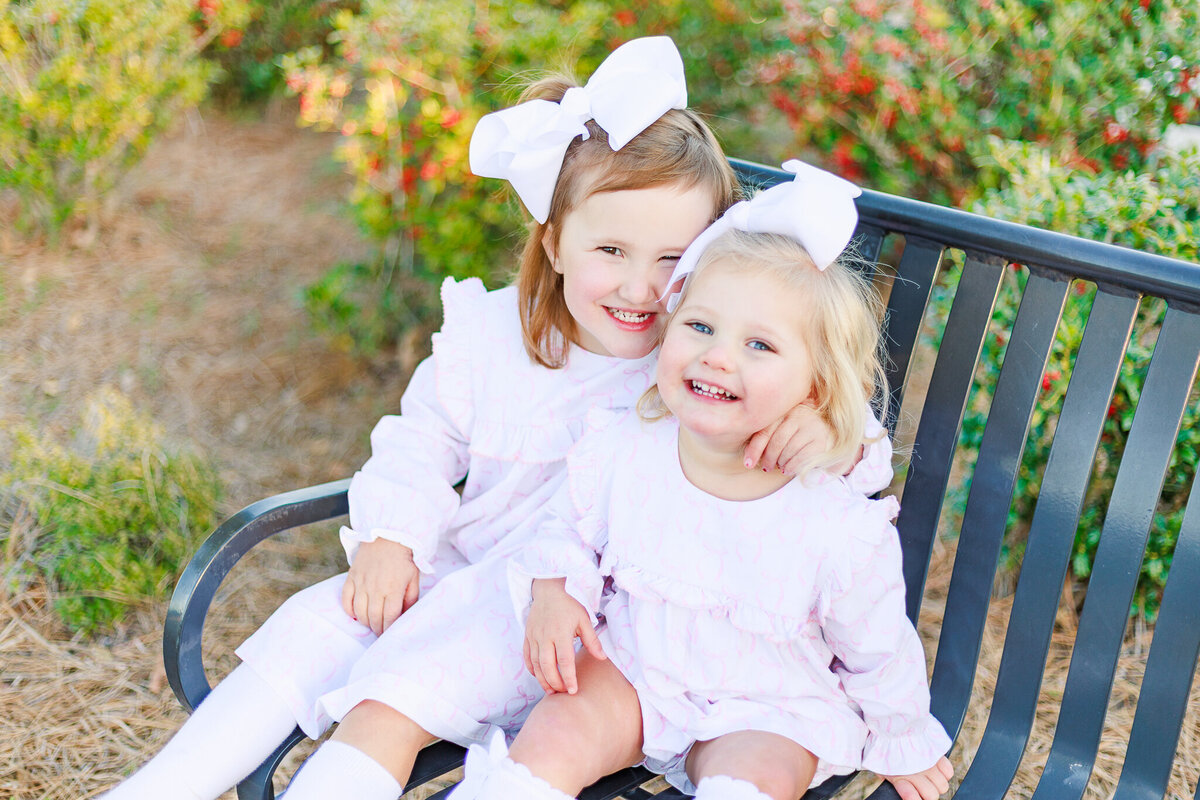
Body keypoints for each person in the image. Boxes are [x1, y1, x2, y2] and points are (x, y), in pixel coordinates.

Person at [101, 39, 890, 800]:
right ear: (552, 241)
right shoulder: (493, 339)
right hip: (446, 571)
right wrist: (392, 537)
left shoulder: (690, 373)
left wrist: (833, 436)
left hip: (556, 620)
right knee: (318, 625)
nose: (643, 289)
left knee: (399, 696)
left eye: (671, 260)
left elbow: (822, 423)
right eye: (610, 250)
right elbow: (418, 440)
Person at [448, 162, 954, 800]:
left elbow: (880, 647)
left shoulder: (834, 521)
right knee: (557, 731)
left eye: (760, 347)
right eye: (700, 326)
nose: (718, 355)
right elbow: (567, 524)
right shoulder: (625, 446)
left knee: (757, 776)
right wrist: (554, 586)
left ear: (817, 387)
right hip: (636, 666)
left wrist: (902, 736)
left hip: (768, 702)